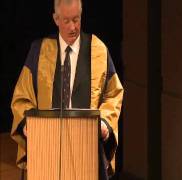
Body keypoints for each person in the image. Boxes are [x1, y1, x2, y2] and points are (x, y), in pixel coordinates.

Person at [10, 0, 124, 179]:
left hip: (86, 147)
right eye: (66, 21)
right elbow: (22, 96)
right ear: (56, 19)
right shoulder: (39, 50)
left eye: (76, 20)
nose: (73, 27)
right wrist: (26, 123)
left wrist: (105, 123)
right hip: (46, 146)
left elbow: (113, 94)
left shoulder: (98, 50)